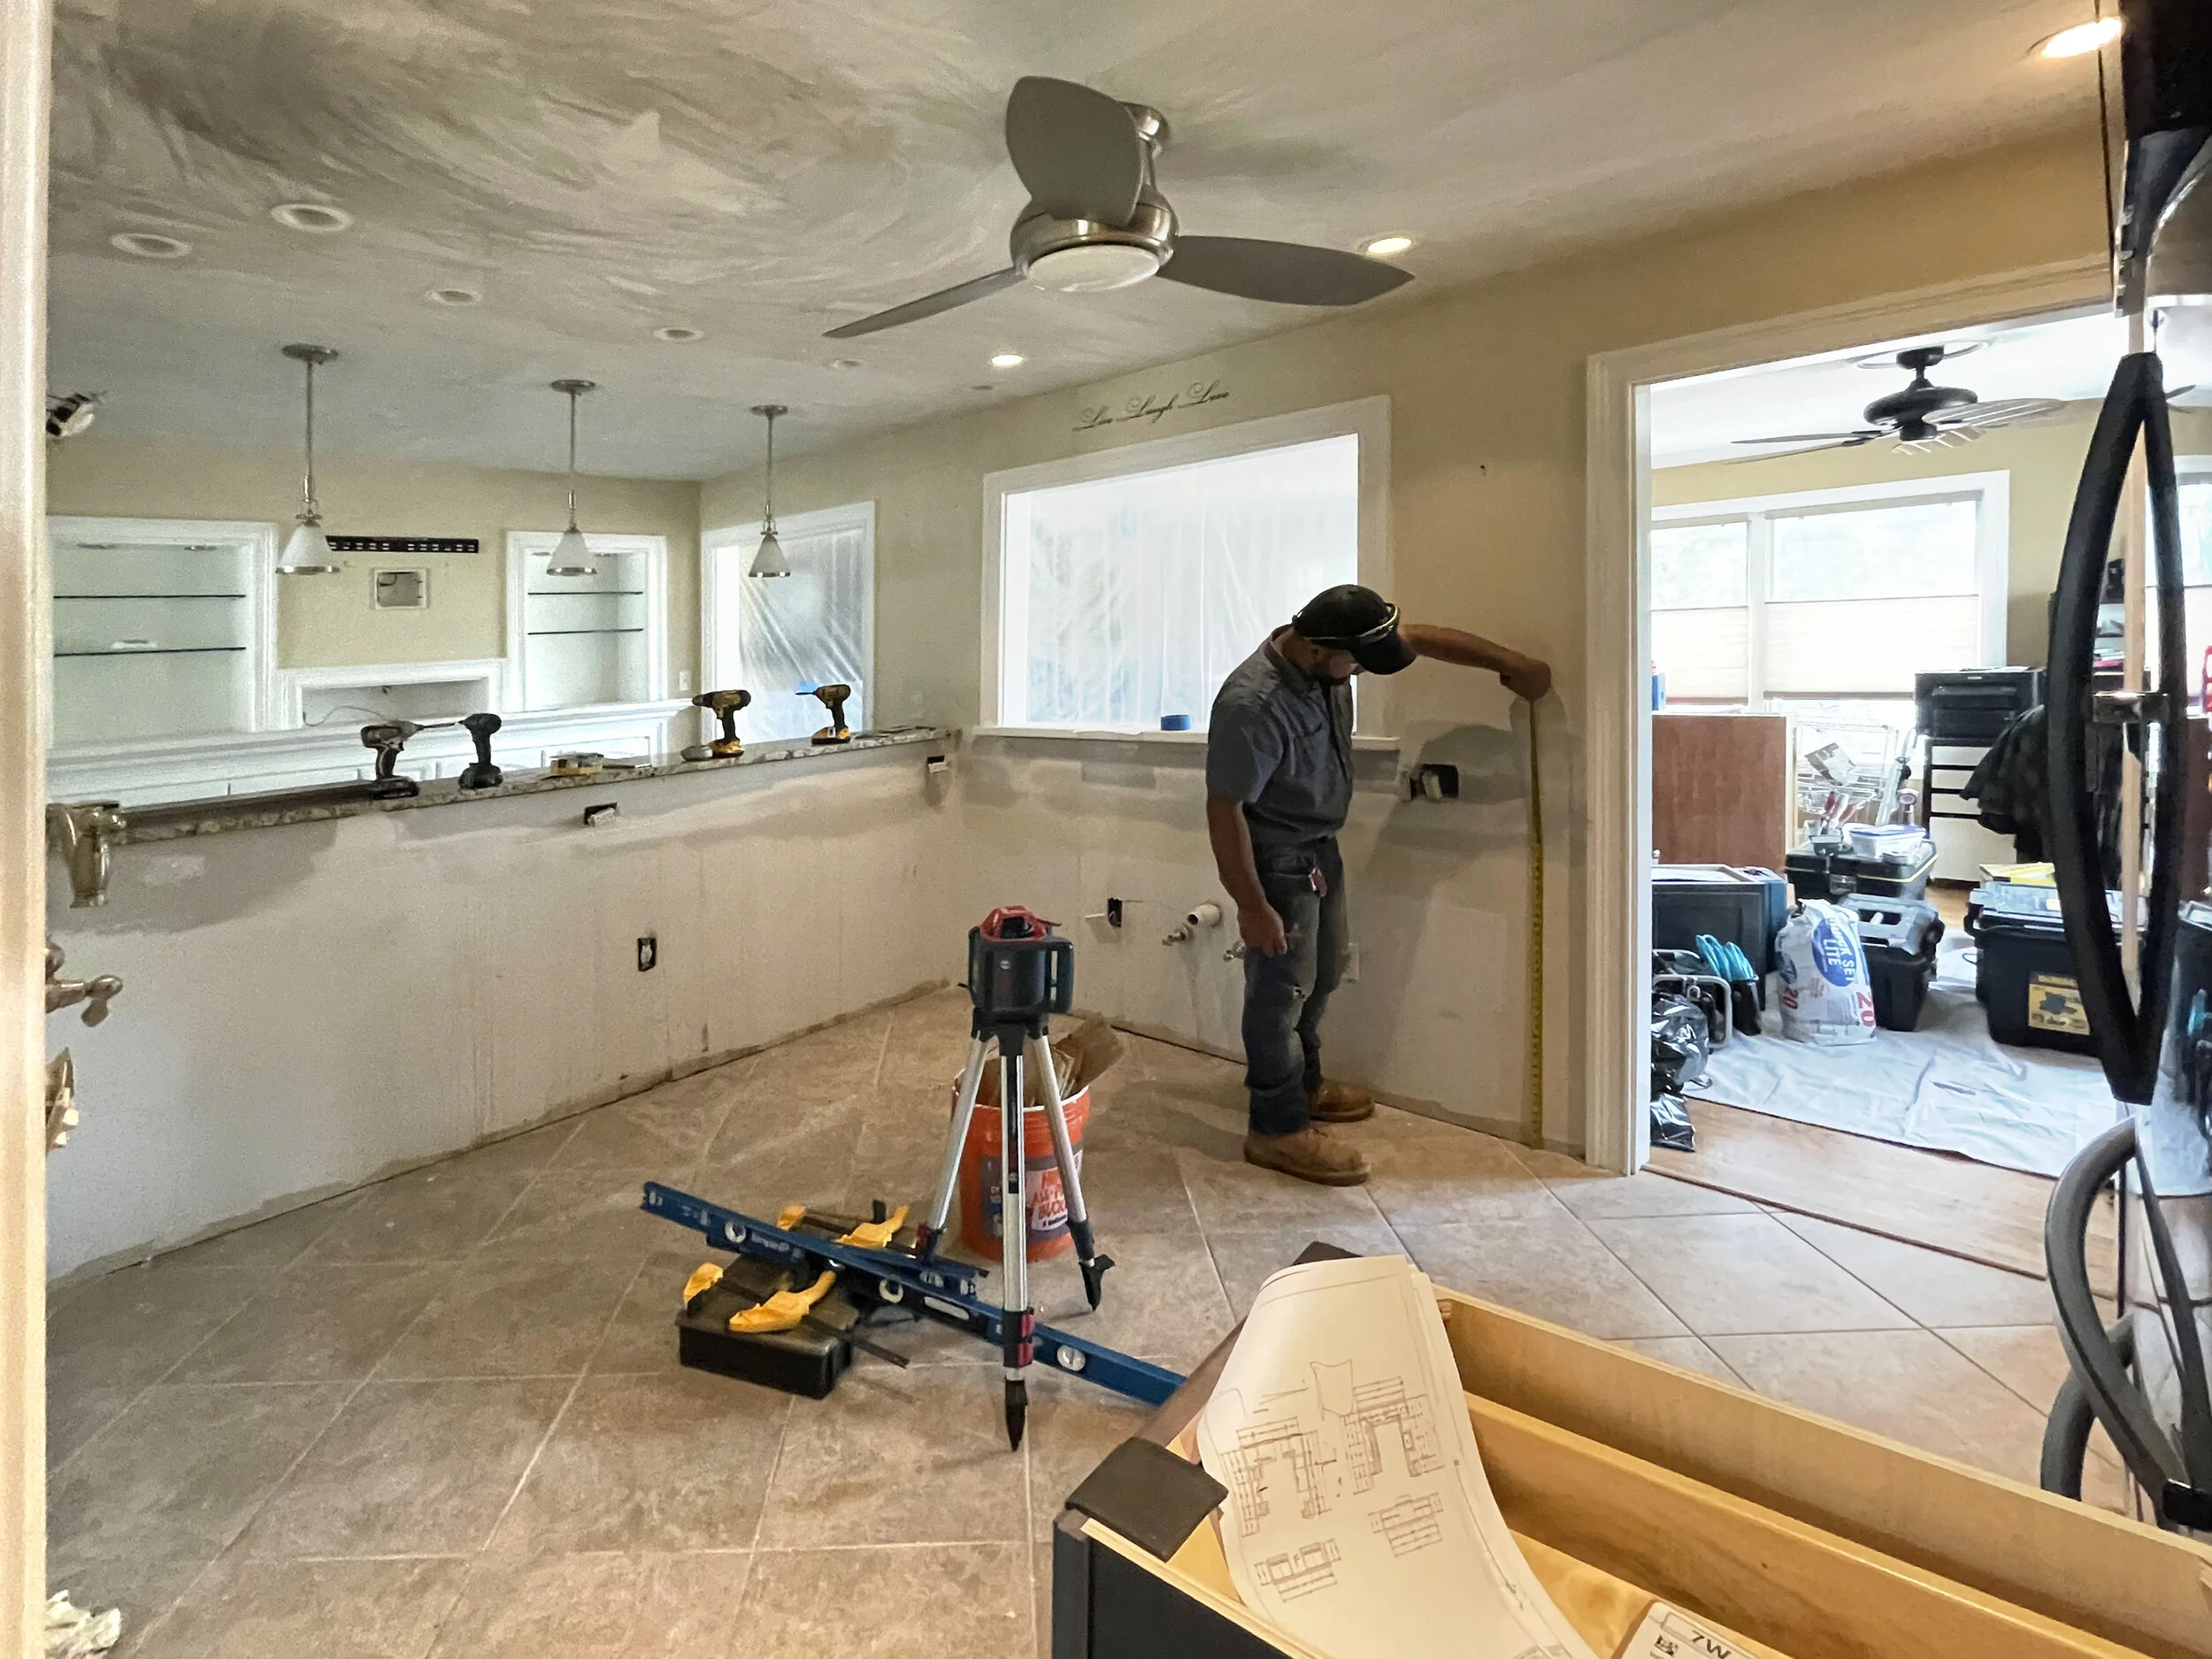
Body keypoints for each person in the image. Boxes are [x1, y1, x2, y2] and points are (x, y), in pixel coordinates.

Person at [1204, 585, 1550, 1186]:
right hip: (1275, 859)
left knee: (1325, 972)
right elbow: (1223, 809)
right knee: (1279, 993)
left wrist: (1512, 666)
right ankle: (1276, 1126)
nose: (1362, 670)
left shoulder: (1338, 649)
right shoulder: (1251, 706)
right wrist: (1251, 905)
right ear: (1316, 649)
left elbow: (1424, 637)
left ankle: (1303, 1085)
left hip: (1318, 847)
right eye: (1356, 663)